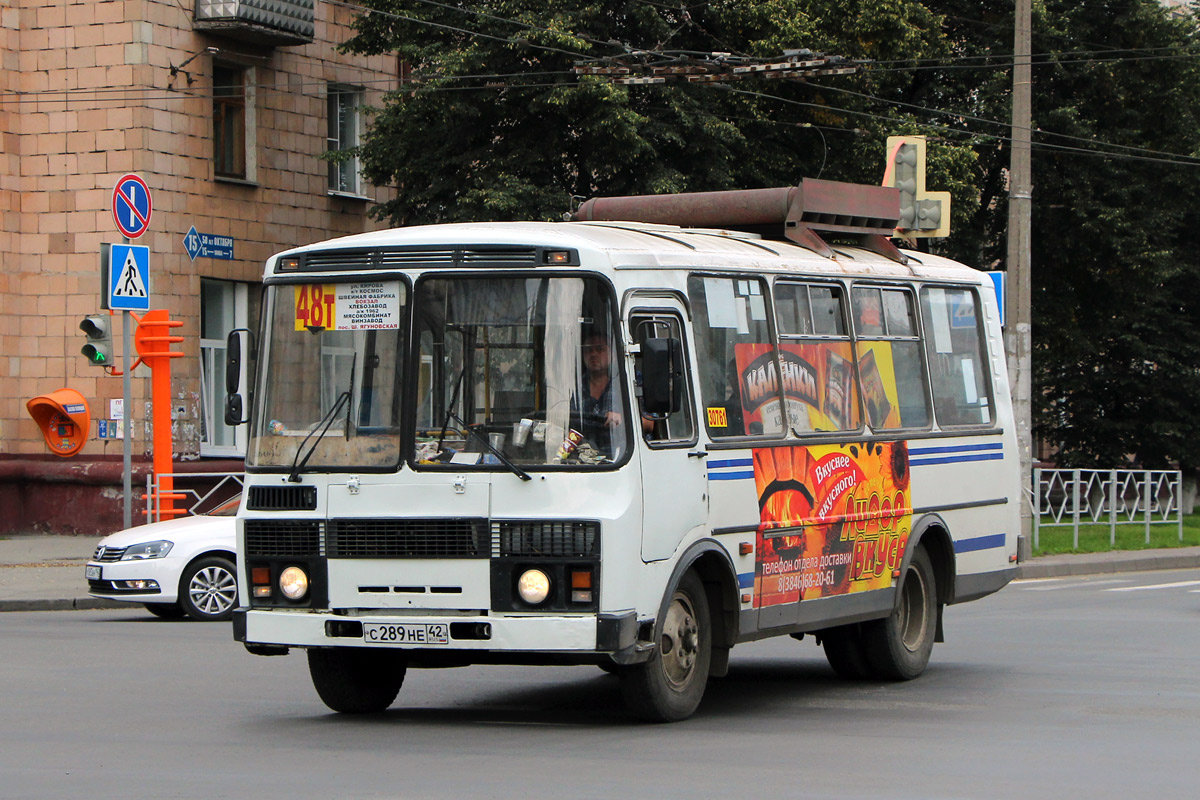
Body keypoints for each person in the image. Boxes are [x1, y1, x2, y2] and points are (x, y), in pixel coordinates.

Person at [576, 333, 652, 456]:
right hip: (585, 460)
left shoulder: (630, 380)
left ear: (614, 355)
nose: (593, 354)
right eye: (588, 350)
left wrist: (623, 420)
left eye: (600, 349)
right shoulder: (576, 388)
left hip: (625, 458)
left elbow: (649, 423)